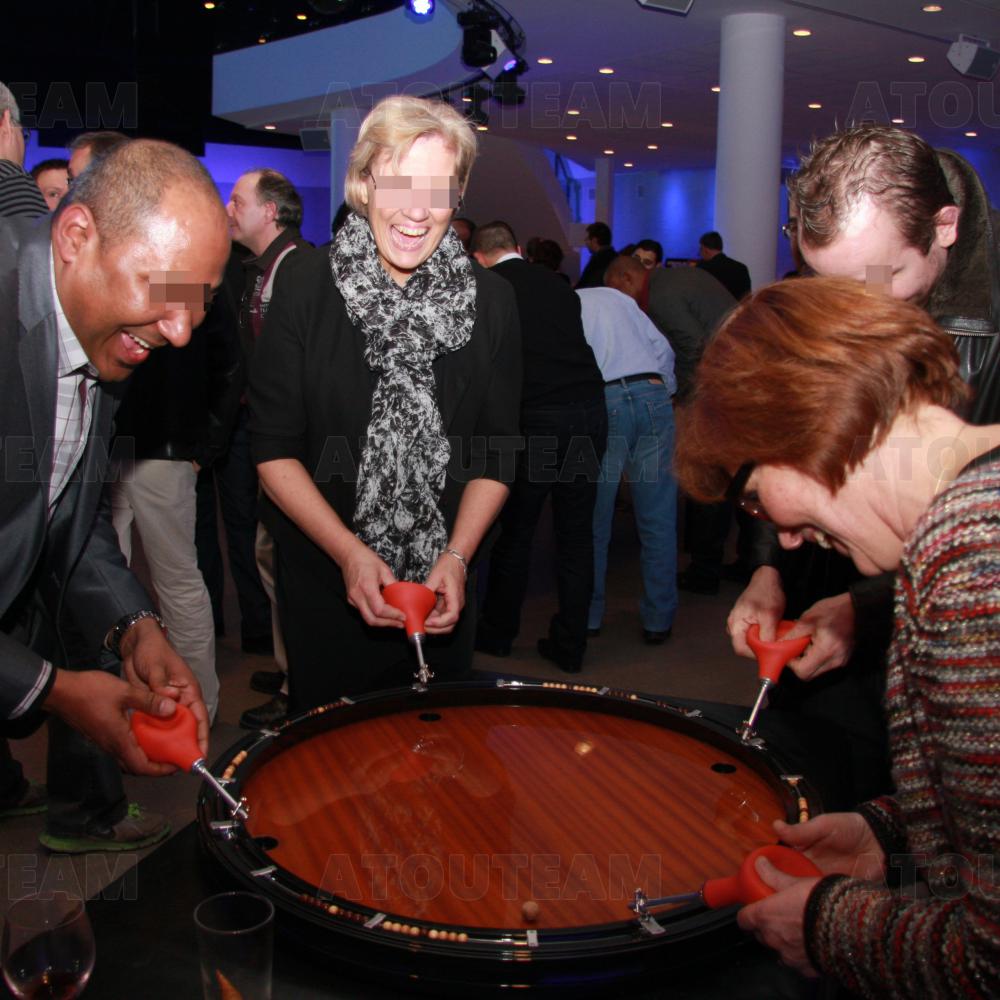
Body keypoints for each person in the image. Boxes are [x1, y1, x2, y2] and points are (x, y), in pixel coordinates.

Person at [675, 275, 1000, 997]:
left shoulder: (971, 567)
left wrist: (825, 923)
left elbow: (989, 959)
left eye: (757, 500)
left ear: (800, 420)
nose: (787, 541)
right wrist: (893, 835)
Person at [729, 125, 1000, 800]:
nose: (856, 309)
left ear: (945, 226)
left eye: (882, 278)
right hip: (828, 595)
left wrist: (865, 607)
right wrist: (770, 567)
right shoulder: (853, 272)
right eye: (829, 283)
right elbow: (790, 445)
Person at [248, 95, 521, 711]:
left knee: (438, 757)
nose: (418, 211)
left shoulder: (495, 300)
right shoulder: (304, 285)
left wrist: (457, 556)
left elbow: (498, 449)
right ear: (364, 182)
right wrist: (348, 552)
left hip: (442, 582)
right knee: (333, 769)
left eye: (440, 187)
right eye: (399, 181)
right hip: (326, 580)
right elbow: (272, 446)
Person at [0, 138, 227, 851]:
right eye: (163, 292)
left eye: (201, 302)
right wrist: (54, 689)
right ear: (75, 237)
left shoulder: (102, 331)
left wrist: (136, 626)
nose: (181, 332)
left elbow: (67, 513)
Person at [471, 220, 606, 672]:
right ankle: (571, 645)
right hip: (589, 411)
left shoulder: (488, 290)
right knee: (575, 535)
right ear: (518, 247)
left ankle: (498, 634)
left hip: (538, 420)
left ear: (478, 257)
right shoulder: (558, 284)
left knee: (517, 532)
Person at [578, 286, 678, 644]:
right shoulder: (619, 298)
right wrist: (663, 392)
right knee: (658, 518)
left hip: (607, 402)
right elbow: (663, 350)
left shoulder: (571, 304)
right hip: (652, 394)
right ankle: (659, 619)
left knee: (596, 518)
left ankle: (588, 615)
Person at [0, 81, 47, 218]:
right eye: (23, 134)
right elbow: (36, 238)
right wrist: (9, 170)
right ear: (7, 124)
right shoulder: (9, 181)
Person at [696, 231, 751, 300]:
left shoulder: (702, 268)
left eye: (700, 249)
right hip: (735, 309)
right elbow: (746, 298)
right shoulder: (741, 268)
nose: (700, 253)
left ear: (706, 250)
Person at [575, 221, 616, 289]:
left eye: (587, 239)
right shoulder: (617, 258)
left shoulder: (596, 261)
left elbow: (583, 285)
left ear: (594, 241)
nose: (585, 242)